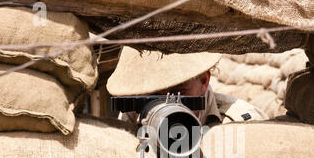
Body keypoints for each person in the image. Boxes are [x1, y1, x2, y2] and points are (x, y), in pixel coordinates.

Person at [106, 46, 268, 127]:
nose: (164, 104)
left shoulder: (240, 123)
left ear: (204, 81)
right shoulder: (132, 116)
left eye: (178, 93)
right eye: (153, 95)